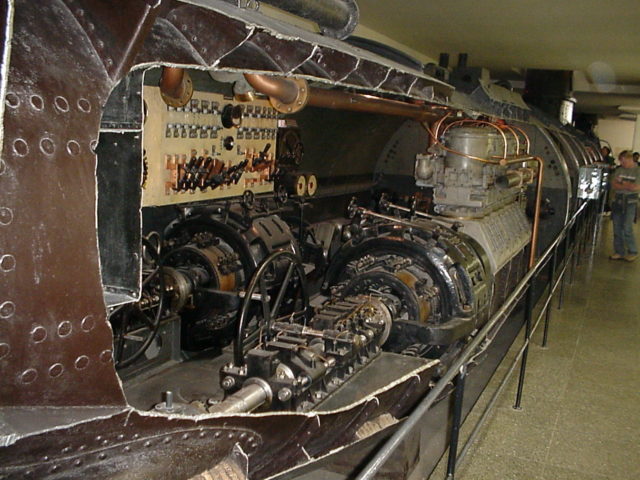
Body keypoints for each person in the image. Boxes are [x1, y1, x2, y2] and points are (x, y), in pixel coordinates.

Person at [609, 150, 640, 261]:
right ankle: (619, 251)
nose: (622, 163)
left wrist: (622, 184)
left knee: (627, 227)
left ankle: (633, 251)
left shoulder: (637, 171)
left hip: (630, 202)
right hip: (618, 201)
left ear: (629, 159)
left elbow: (636, 187)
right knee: (617, 228)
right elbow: (614, 185)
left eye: (623, 161)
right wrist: (627, 185)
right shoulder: (619, 170)